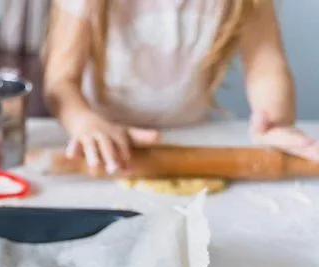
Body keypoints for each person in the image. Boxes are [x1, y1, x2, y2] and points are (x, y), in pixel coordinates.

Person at [43, 0, 319, 174]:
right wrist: (83, 122)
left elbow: (265, 67)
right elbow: (60, 80)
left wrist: (274, 120)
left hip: (194, 137)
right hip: (103, 144)